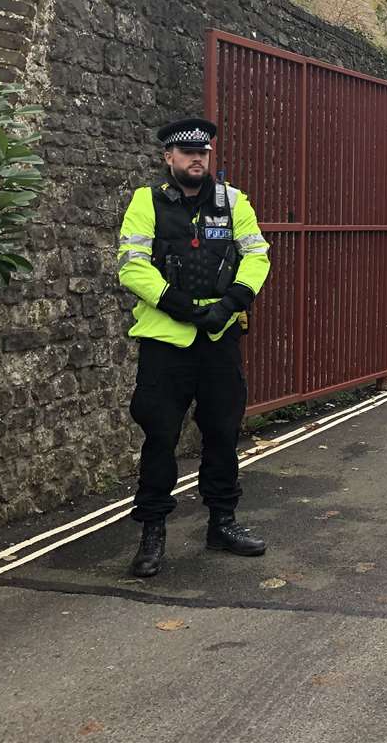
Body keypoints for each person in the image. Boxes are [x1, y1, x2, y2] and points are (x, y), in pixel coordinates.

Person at [115, 117, 272, 578]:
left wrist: (231, 304)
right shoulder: (147, 202)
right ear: (169, 158)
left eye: (203, 152)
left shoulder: (233, 201)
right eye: (186, 153)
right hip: (166, 339)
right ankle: (152, 533)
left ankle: (222, 523)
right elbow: (131, 266)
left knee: (223, 433)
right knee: (160, 436)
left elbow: (257, 254)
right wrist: (179, 305)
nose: (196, 158)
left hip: (219, 338)